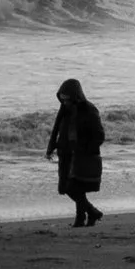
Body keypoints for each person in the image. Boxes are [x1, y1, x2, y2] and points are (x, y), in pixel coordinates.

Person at [47, 76, 106, 226]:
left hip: (82, 156)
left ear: (75, 97)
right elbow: (56, 128)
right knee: (67, 187)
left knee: (74, 187)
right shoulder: (64, 109)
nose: (64, 102)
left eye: (67, 99)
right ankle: (89, 214)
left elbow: (99, 135)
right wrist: (51, 147)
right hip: (65, 152)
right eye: (62, 99)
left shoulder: (90, 110)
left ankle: (84, 216)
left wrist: (85, 150)